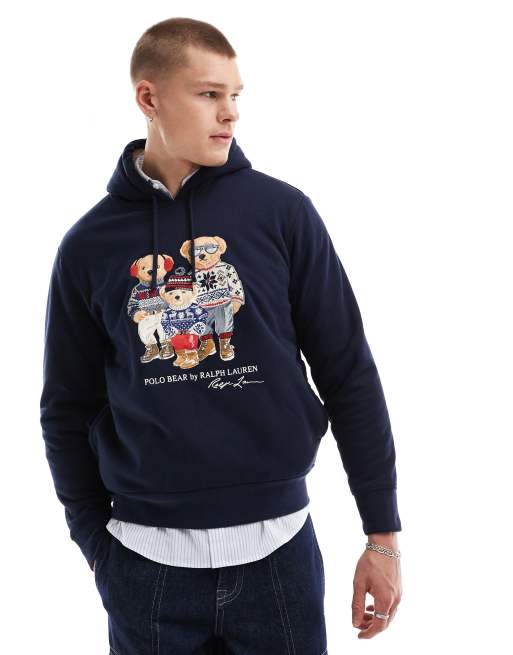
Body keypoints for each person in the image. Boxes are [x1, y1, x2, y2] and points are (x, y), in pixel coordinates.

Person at [40, 16, 402, 653]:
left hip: (280, 557)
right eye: (209, 94)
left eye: (235, 95)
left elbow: (348, 371)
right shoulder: (88, 246)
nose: (230, 112)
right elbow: (66, 409)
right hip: (144, 567)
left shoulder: (282, 214)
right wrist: (97, 548)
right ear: (149, 98)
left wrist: (383, 536)